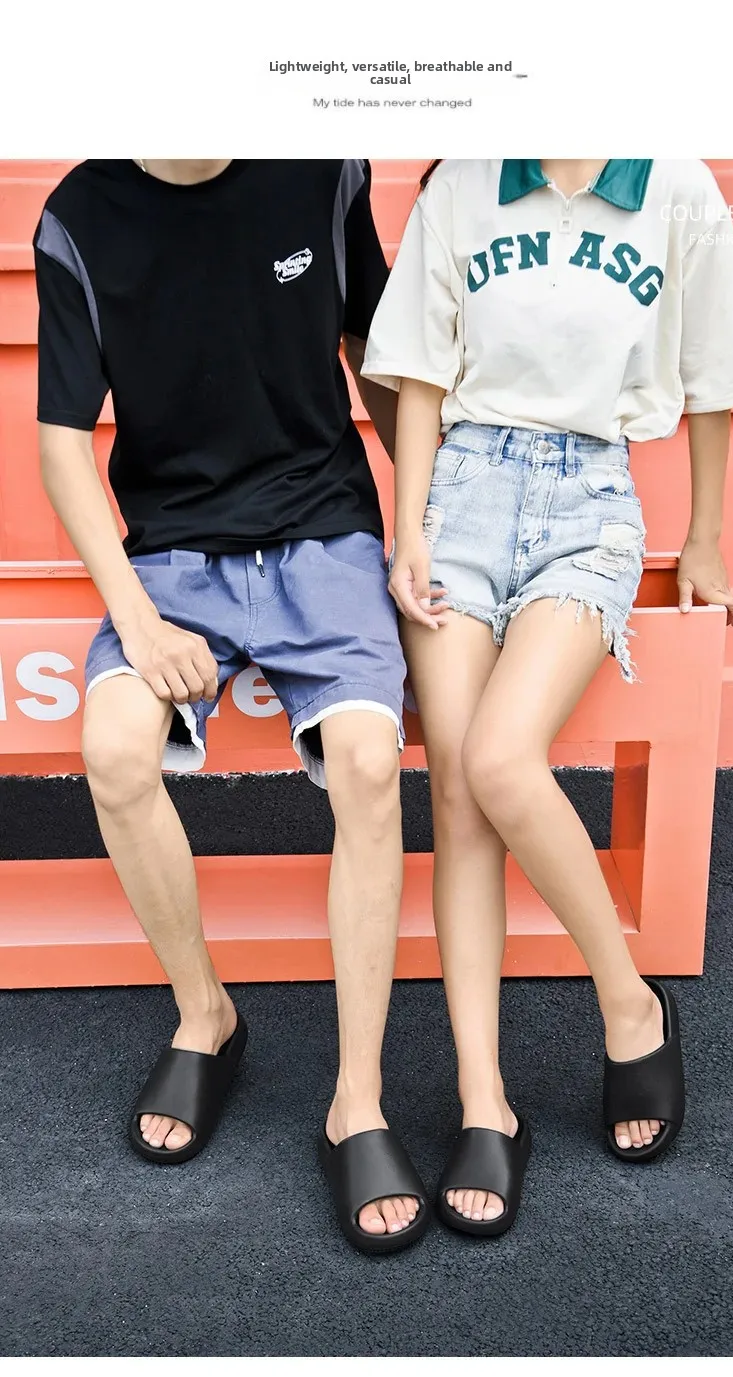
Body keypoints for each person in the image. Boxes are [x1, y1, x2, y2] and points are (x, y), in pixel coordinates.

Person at [362, 158, 733, 1236]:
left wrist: (704, 537)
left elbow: (712, 376)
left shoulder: (673, 185)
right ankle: (484, 1103)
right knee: (458, 797)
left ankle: (628, 1003)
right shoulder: (465, 184)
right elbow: (418, 376)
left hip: (589, 500)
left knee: (501, 759)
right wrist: (409, 532)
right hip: (459, 496)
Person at [34, 158, 430, 1254]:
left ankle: (357, 1100)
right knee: (115, 753)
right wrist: (137, 618)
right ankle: (206, 1013)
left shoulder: (321, 168)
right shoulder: (78, 215)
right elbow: (62, 440)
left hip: (324, 535)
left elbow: (379, 357)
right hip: (171, 558)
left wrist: (424, 525)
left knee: (368, 764)